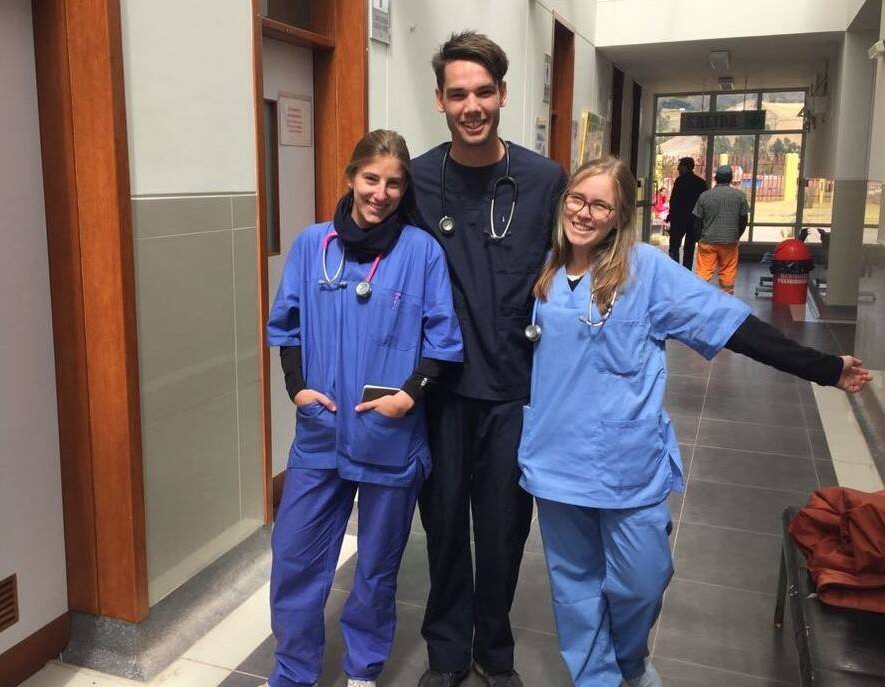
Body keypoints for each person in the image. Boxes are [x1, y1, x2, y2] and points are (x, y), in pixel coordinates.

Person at [519, 156, 872, 687]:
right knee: (574, 584)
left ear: (619, 216)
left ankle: (629, 661)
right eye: (577, 199)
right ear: (563, 199)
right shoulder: (543, 269)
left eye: (600, 205)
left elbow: (732, 326)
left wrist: (822, 367)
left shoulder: (646, 270)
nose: (584, 213)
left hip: (625, 461)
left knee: (643, 577)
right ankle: (597, 678)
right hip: (554, 457)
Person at [264, 130, 463, 687]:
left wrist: (408, 396)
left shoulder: (421, 251)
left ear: (405, 189)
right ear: (351, 176)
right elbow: (289, 326)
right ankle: (293, 671)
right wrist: (297, 388)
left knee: (376, 569)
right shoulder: (313, 245)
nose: (381, 192)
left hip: (389, 435)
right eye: (371, 178)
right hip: (321, 431)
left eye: (394, 182)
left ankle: (362, 670)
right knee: (295, 559)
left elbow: (442, 341)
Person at [408, 31, 566, 687]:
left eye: (482, 92)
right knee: (443, 529)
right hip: (441, 390)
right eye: (457, 94)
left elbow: (583, 267)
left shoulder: (542, 179)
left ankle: (493, 651)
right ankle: (447, 653)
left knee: (502, 532)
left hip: (514, 388)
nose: (471, 105)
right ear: (441, 100)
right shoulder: (417, 179)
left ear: (501, 93)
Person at [693, 164, 749, 294]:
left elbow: (697, 219)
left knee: (703, 273)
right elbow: (743, 220)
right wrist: (736, 235)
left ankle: (700, 299)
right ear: (731, 178)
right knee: (728, 271)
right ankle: (727, 297)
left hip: (707, 241)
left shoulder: (705, 196)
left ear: (716, 178)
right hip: (729, 241)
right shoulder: (739, 196)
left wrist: (699, 238)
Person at [666, 157, 706, 268]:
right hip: (694, 219)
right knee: (690, 246)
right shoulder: (701, 182)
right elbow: (703, 203)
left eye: (679, 166)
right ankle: (686, 270)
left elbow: (674, 200)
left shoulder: (680, 181)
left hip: (679, 218)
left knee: (674, 245)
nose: (678, 169)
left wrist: (670, 215)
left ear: (684, 167)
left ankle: (675, 269)